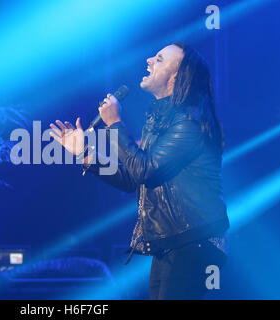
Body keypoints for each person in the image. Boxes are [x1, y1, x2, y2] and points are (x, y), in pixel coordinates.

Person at [49, 42, 229, 300]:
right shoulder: (159, 122)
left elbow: (144, 170)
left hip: (195, 240)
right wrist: (84, 152)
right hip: (173, 242)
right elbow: (132, 178)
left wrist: (114, 123)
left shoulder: (189, 123)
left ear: (177, 76)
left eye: (159, 59)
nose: (148, 61)